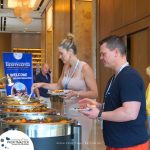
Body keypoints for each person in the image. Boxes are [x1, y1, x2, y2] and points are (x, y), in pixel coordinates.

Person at [79, 35, 149, 150]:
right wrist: (97, 105)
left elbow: (129, 113)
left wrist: (99, 114)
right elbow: (116, 106)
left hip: (130, 144)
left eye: (103, 54)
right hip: (116, 142)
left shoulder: (130, 76)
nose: (101, 57)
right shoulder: (115, 77)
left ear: (116, 52)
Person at [32, 33, 98, 149]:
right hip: (67, 111)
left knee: (81, 145)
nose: (59, 56)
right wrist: (42, 84)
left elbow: (95, 93)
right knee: (69, 146)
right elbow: (58, 86)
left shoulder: (85, 68)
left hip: (82, 113)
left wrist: (76, 93)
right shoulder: (66, 67)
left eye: (61, 53)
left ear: (70, 52)